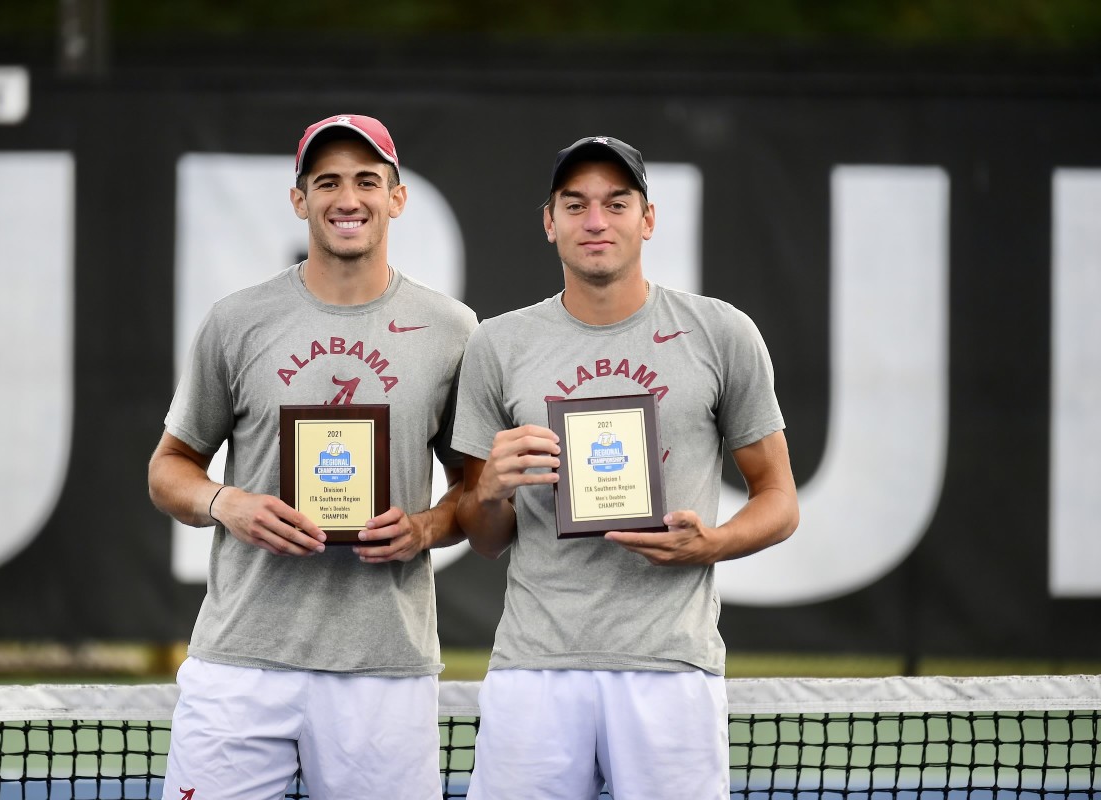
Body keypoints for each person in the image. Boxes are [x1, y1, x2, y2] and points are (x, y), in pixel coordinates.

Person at [453, 135, 800, 799]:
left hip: (669, 668)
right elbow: (485, 535)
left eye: (616, 203)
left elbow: (780, 497)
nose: (595, 221)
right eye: (575, 204)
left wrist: (712, 545)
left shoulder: (720, 333)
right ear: (549, 221)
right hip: (536, 668)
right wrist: (489, 491)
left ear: (647, 219)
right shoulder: (497, 345)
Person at [147, 113, 477, 800]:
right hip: (242, 663)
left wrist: (424, 528)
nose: (346, 199)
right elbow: (169, 469)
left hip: (384, 671)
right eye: (326, 182)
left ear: (397, 197)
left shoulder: (452, 330)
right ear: (300, 201)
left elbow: (473, 493)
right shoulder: (237, 321)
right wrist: (225, 502)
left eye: (366, 180)